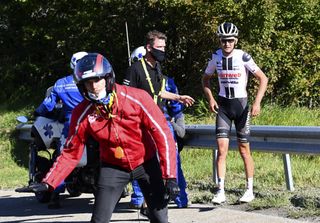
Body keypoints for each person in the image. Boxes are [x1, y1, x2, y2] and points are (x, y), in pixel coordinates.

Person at [29, 53, 180, 223]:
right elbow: (71, 153)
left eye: (97, 80)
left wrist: (170, 176)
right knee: (99, 220)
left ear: (108, 78)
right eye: (88, 82)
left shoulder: (137, 97)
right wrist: (49, 182)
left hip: (146, 162)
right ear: (81, 86)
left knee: (160, 218)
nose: (93, 86)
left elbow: (163, 134)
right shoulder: (82, 112)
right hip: (113, 167)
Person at [124, 32, 193, 210]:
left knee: (166, 157)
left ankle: (159, 199)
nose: (162, 51)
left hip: (158, 120)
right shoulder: (135, 69)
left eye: (164, 47)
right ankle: (143, 199)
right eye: (159, 47)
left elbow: (158, 92)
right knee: (147, 162)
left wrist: (178, 97)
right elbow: (126, 97)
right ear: (149, 47)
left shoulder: (157, 68)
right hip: (141, 123)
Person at [202, 22, 268, 204]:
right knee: (221, 150)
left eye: (230, 40)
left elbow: (263, 78)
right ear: (220, 41)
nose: (227, 43)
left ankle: (249, 190)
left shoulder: (243, 57)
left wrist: (257, 102)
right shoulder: (215, 57)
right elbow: (205, 79)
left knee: (244, 150)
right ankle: (220, 190)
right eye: (223, 40)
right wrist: (210, 99)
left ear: (236, 41)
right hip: (223, 107)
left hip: (242, 107)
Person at [33, 51, 88, 208]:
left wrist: (37, 112)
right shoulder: (95, 81)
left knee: (62, 157)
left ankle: (56, 194)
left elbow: (48, 106)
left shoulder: (61, 83)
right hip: (96, 124)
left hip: (73, 125)